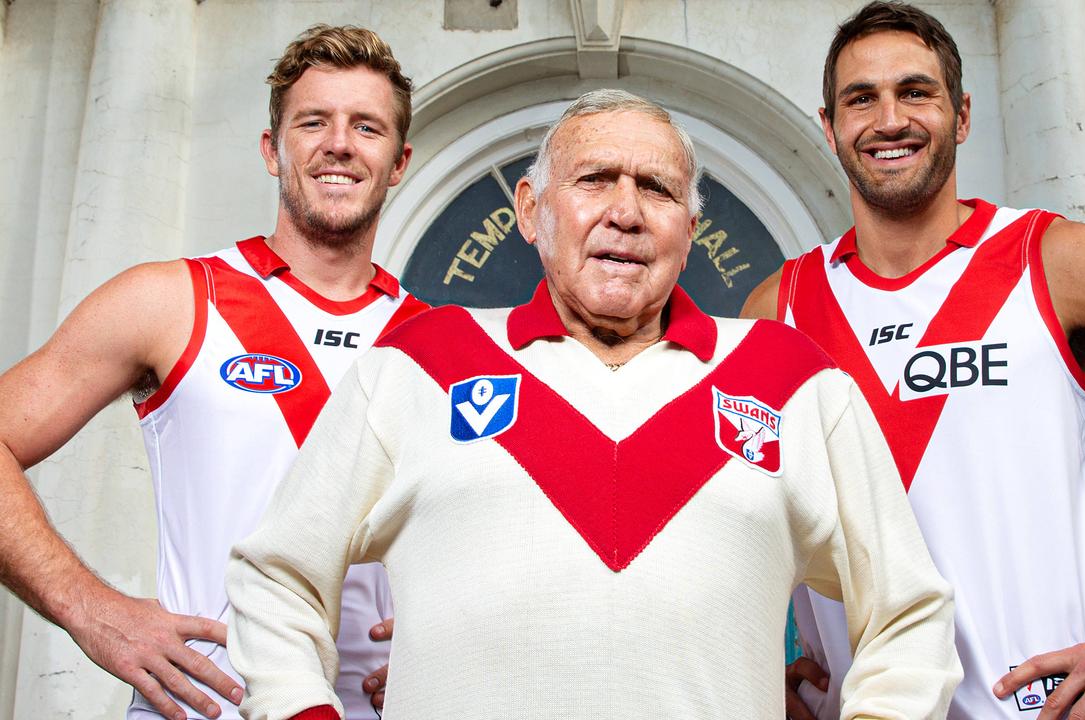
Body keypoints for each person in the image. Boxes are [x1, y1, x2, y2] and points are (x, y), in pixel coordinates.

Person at [224, 89, 961, 720]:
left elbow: (908, 613)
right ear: (530, 210)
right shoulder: (419, 363)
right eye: (594, 179)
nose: (626, 212)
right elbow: (278, 577)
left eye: (658, 189)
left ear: (690, 231)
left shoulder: (794, 380)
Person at [741, 3, 1085, 720]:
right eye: (860, 98)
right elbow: (736, 518)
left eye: (916, 91)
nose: (889, 119)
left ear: (961, 116)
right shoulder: (777, 308)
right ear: (830, 125)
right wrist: (751, 666)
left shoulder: (1058, 263)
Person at [0, 24, 426, 720]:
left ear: (399, 160)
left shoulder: (442, 340)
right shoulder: (169, 300)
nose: (340, 144)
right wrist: (90, 609)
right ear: (271, 148)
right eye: (313, 121)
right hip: (205, 705)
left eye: (367, 127)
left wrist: (451, 630)